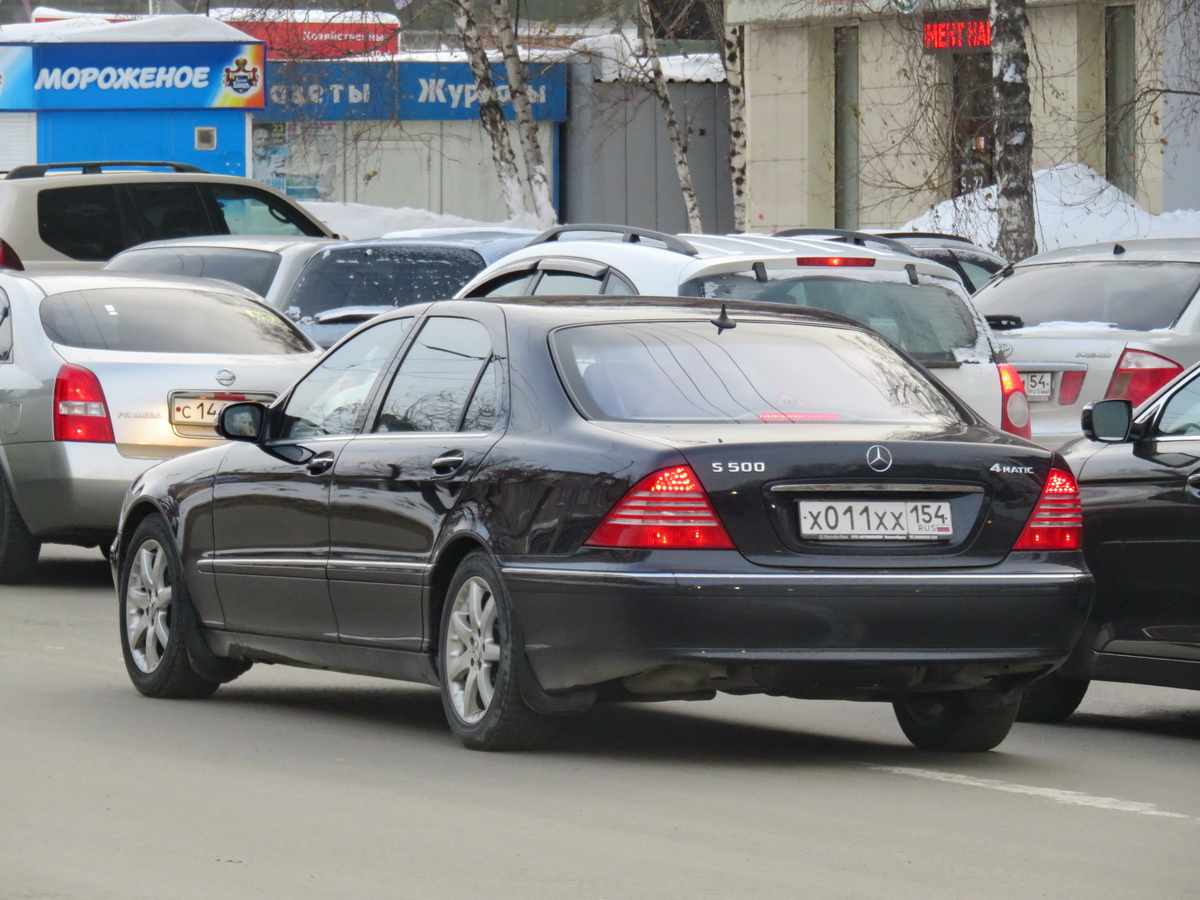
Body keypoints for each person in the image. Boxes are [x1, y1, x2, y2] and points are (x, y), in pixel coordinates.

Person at [251, 123, 288, 191]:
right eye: (259, 139)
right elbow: (252, 186)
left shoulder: (274, 159)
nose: (263, 143)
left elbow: (281, 188)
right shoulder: (247, 161)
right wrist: (269, 171)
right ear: (251, 141)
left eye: (266, 139)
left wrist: (280, 172)